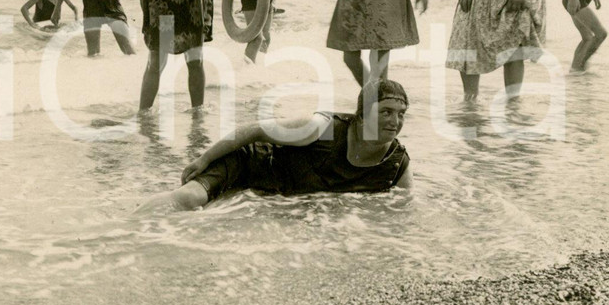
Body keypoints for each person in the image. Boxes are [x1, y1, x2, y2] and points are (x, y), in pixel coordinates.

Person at [135, 79, 412, 213]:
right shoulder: (323, 128)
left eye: (401, 114)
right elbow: (255, 130)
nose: (395, 121)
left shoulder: (396, 164)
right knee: (187, 200)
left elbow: (403, 211)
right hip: (248, 163)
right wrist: (204, 160)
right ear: (361, 116)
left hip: (268, 194)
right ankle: (121, 230)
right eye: (386, 111)